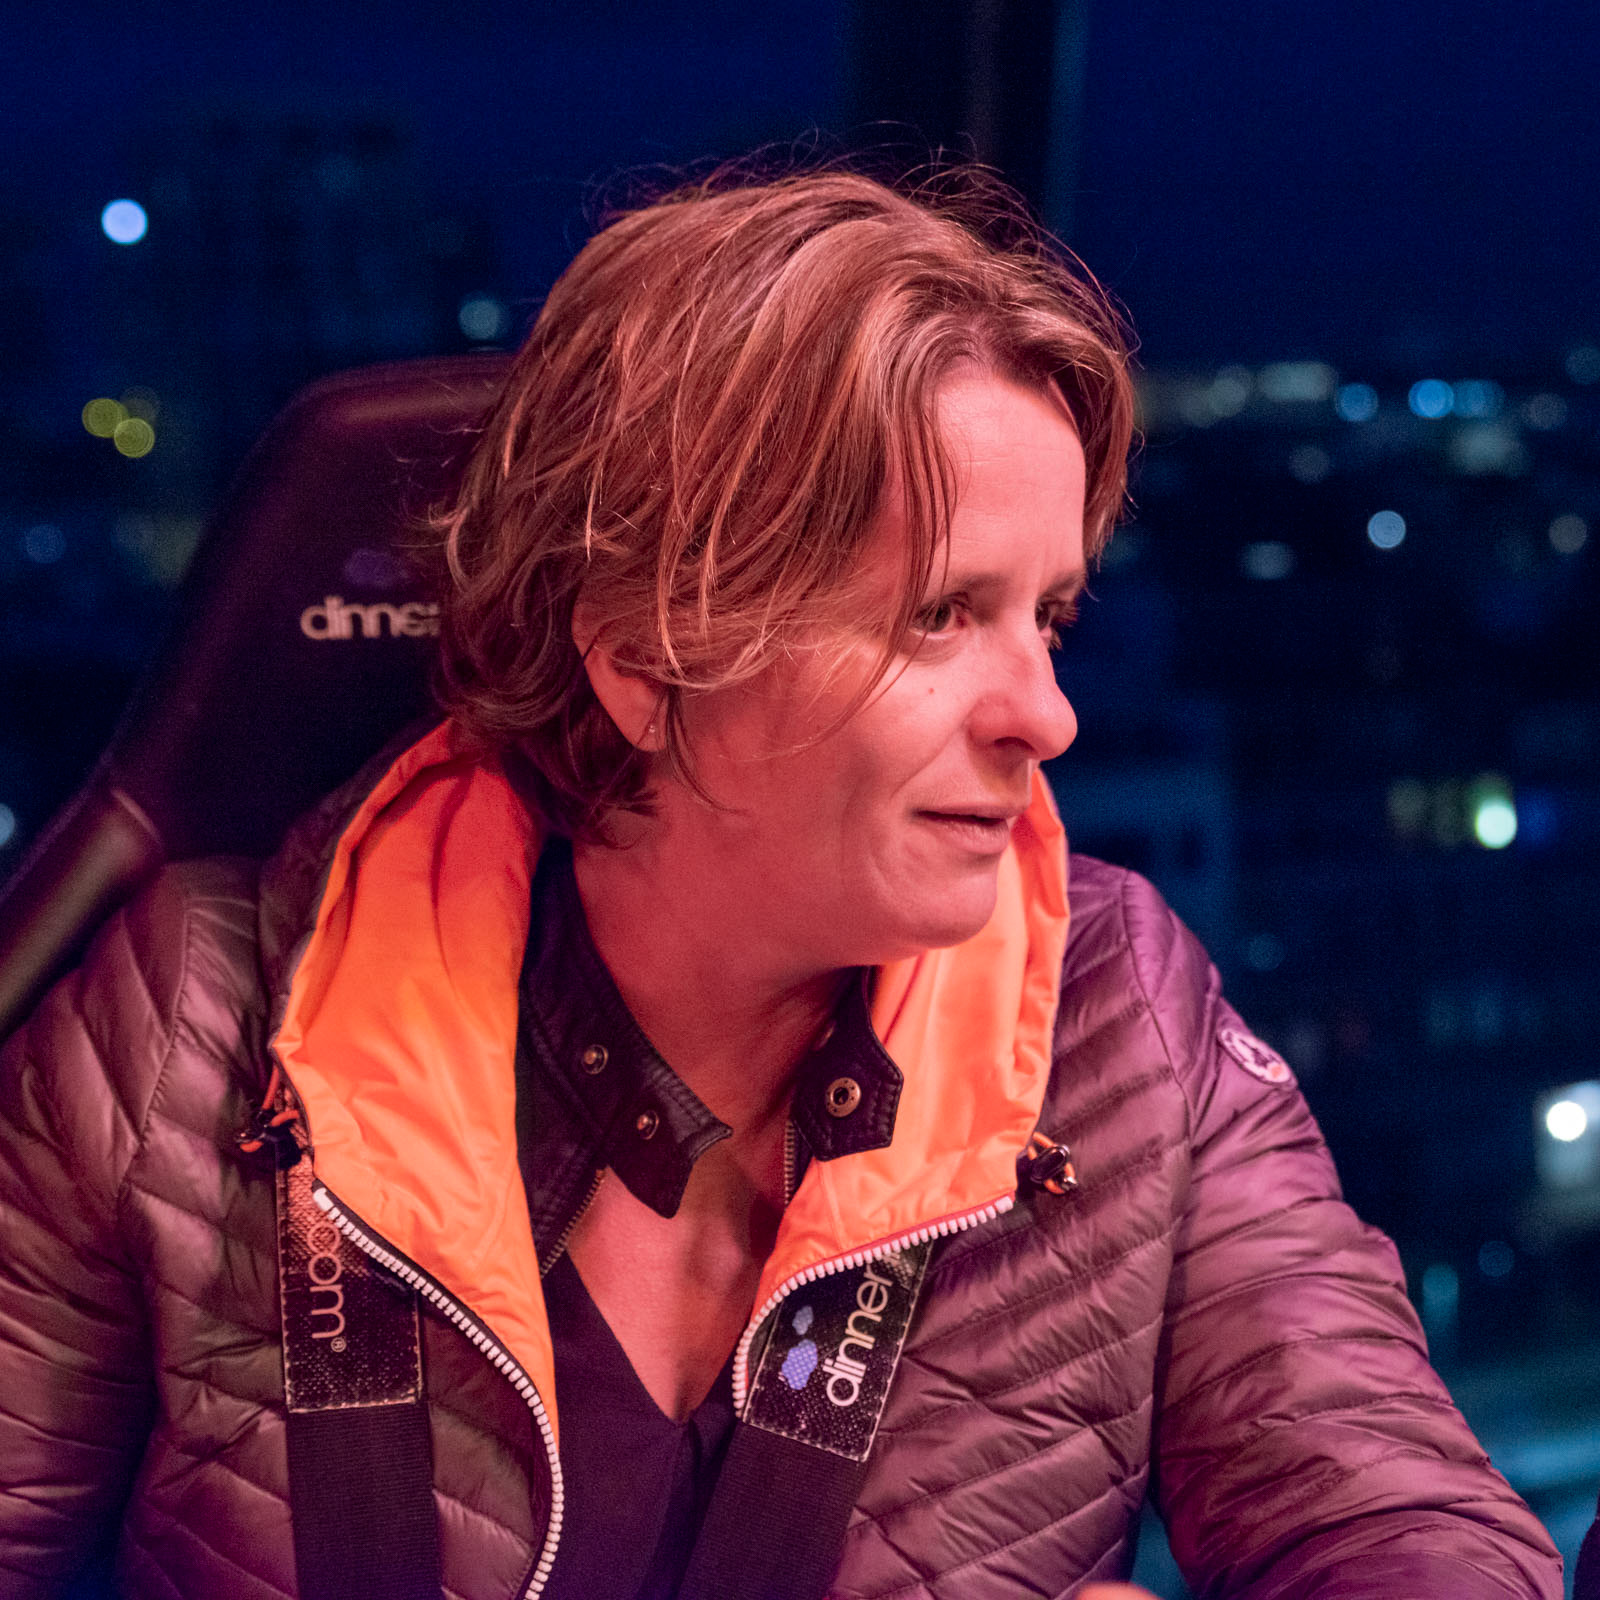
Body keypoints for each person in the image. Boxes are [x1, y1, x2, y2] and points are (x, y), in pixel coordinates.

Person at [0, 165, 1563, 1600]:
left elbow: (1410, 1529)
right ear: (644, 655)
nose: (1048, 717)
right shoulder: (188, 1030)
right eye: (940, 615)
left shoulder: (1111, 1014)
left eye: (1050, 619)